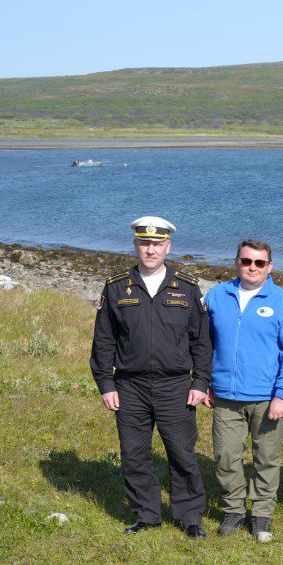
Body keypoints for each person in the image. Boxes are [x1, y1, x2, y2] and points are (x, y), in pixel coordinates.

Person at [91, 216, 211, 538]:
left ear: (168, 247)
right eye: (145, 243)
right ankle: (146, 515)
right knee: (134, 454)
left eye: (157, 244)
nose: (151, 249)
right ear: (136, 245)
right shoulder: (117, 286)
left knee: (182, 453)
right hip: (130, 385)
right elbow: (104, 339)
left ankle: (189, 518)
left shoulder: (186, 287)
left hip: (176, 386)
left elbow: (201, 341)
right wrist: (106, 383)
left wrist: (201, 382)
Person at [204, 239, 283, 542]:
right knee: (225, 457)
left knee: (267, 459)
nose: (252, 268)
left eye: (259, 263)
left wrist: (282, 393)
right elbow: (201, 343)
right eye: (246, 261)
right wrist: (203, 382)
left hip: (266, 397)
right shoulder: (217, 295)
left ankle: (261, 515)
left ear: (269, 267)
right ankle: (233, 509)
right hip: (224, 395)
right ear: (237, 262)